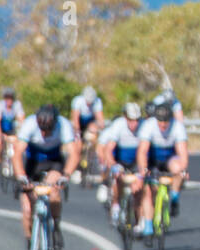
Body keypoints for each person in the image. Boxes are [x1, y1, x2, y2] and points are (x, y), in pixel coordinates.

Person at [13, 104, 80, 250]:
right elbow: (17, 154)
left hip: (53, 163)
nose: (44, 134)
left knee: (53, 189)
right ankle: (30, 246)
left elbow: (73, 153)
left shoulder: (63, 125)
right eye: (41, 130)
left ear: (54, 124)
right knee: (27, 209)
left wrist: (66, 176)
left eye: (48, 130)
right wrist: (21, 176)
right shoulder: (29, 124)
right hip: (33, 164)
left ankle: (56, 226)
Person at [138, 102, 189, 224]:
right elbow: (142, 151)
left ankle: (175, 196)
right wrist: (143, 169)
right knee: (149, 191)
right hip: (152, 159)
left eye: (166, 121)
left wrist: (183, 169)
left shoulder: (177, 127)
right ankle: (148, 225)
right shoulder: (148, 125)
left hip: (169, 158)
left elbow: (183, 152)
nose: (163, 124)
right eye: (160, 121)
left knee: (178, 169)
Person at [98, 102, 146, 230]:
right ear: (125, 117)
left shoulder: (144, 126)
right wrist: (113, 165)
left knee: (138, 191)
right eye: (130, 120)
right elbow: (108, 150)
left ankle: (139, 220)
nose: (134, 124)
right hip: (120, 160)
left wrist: (143, 172)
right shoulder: (118, 125)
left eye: (136, 120)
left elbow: (147, 151)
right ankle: (115, 206)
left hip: (137, 161)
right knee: (117, 180)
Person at [69, 85, 104, 184]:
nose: (89, 103)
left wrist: (97, 128)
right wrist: (77, 133)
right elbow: (75, 119)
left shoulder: (97, 102)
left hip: (90, 123)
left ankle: (91, 158)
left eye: (91, 102)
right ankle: (77, 169)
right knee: (78, 146)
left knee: (94, 138)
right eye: (87, 101)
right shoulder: (77, 101)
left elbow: (100, 120)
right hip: (79, 123)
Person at [0, 87, 25, 170]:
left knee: (17, 143)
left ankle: (15, 160)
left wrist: (22, 133)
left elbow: (22, 119)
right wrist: (0, 134)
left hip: (11, 130)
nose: (9, 100)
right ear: (4, 98)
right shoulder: (0, 105)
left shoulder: (17, 105)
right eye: (7, 98)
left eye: (11, 98)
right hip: (0, 129)